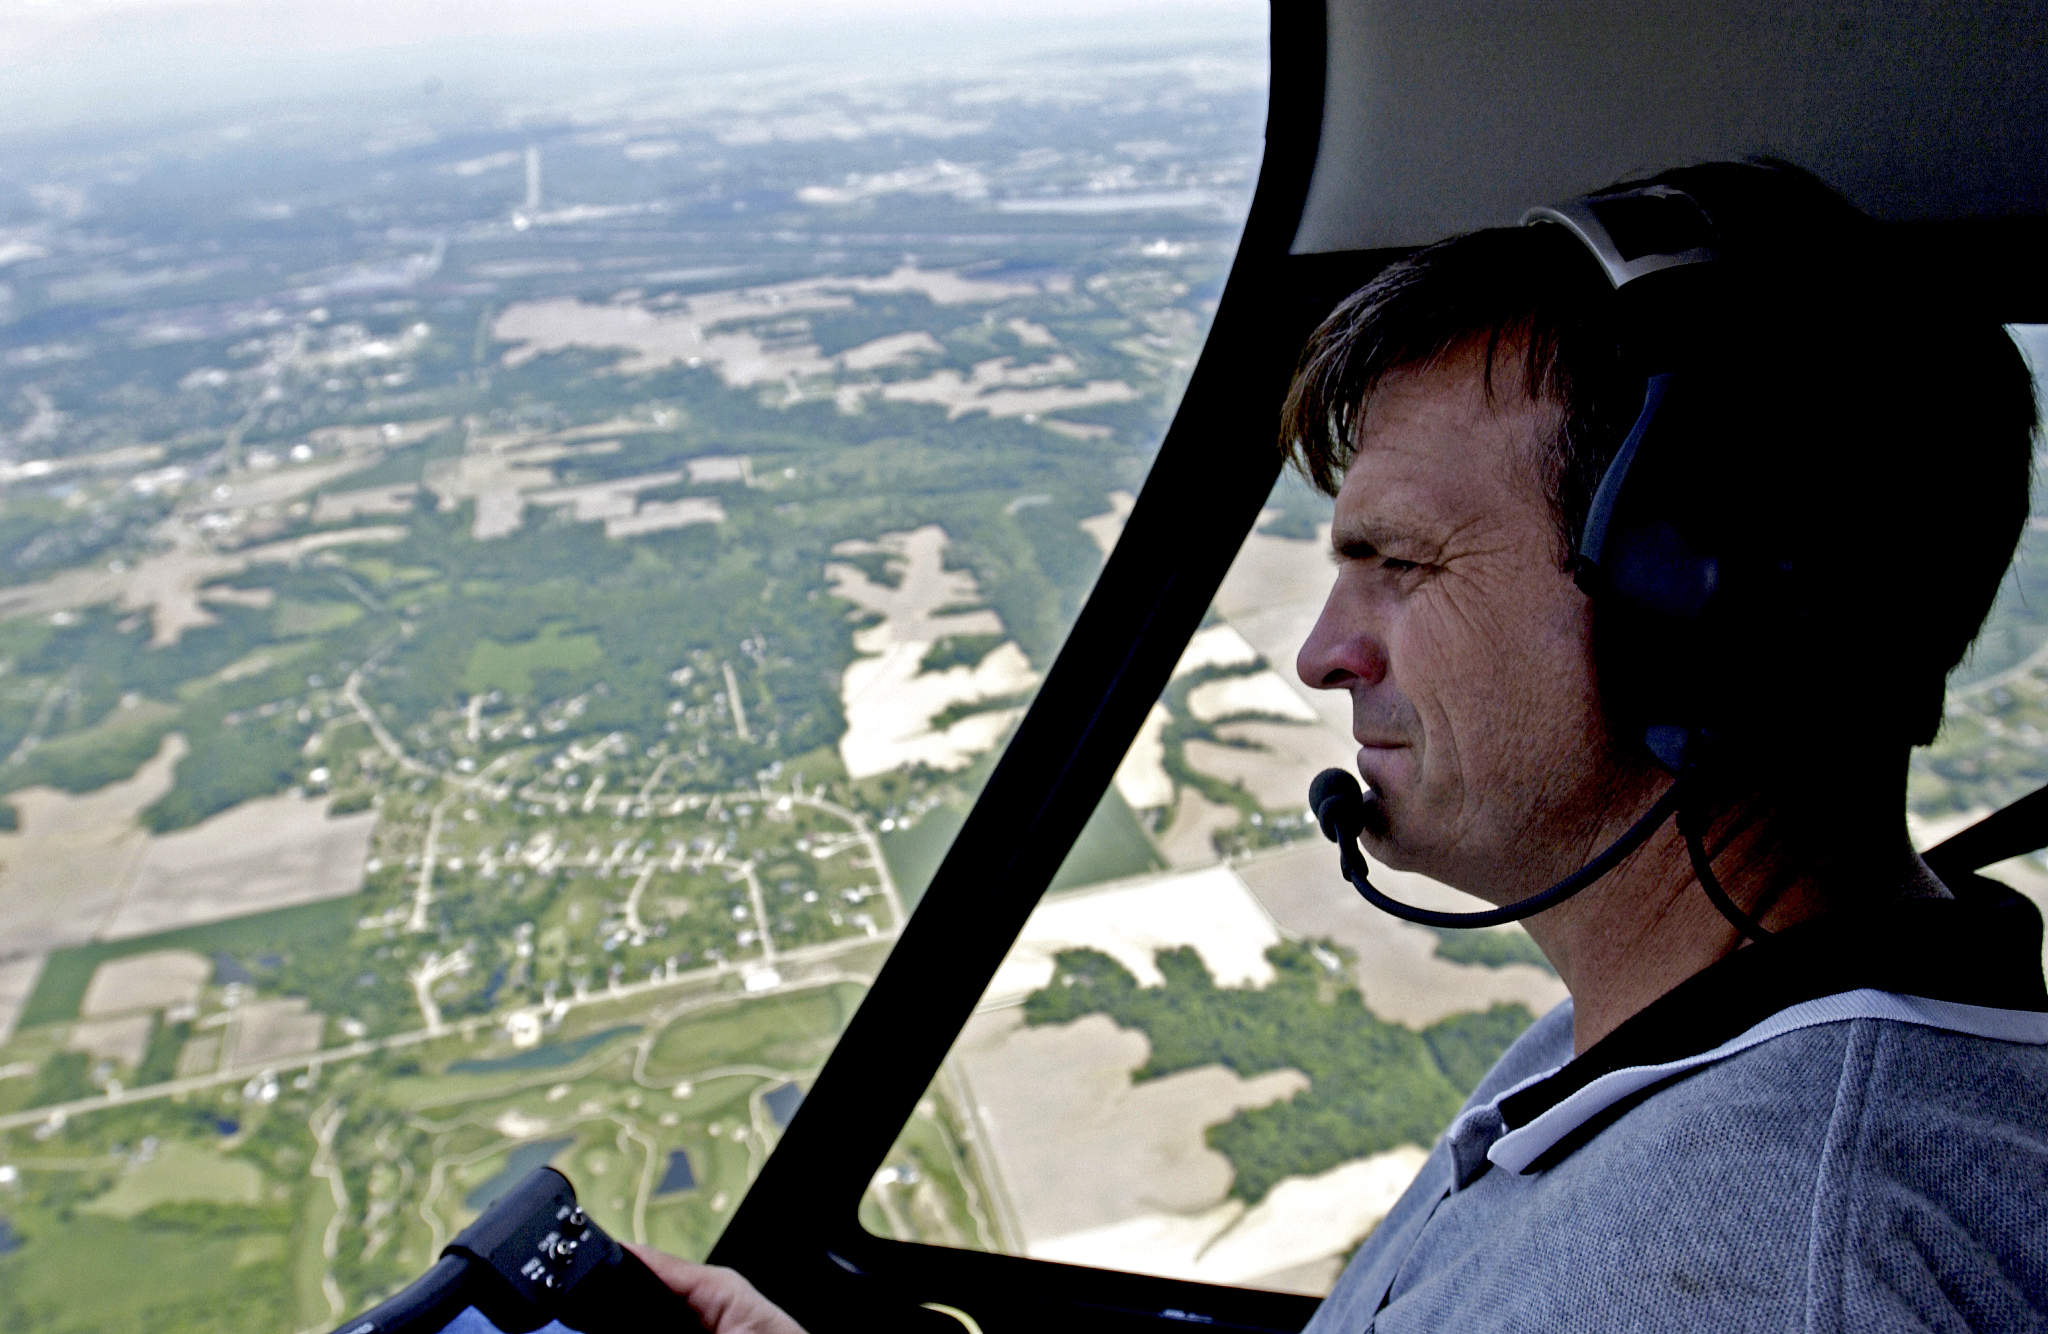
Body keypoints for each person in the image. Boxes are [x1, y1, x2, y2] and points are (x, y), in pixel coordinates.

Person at [634, 160, 2048, 1332]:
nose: (1321, 652)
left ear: (1710, 615)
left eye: (1400, 563)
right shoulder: (1679, 1046)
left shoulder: (1758, 1271)